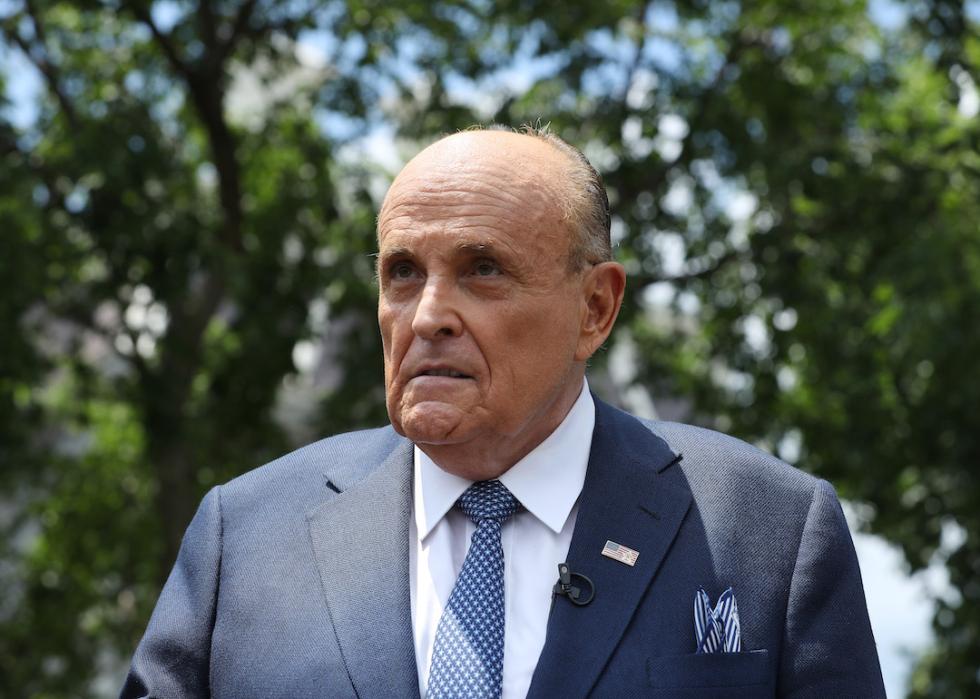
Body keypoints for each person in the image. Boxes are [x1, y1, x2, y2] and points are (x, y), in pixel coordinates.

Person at [122, 127, 885, 698]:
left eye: (481, 269)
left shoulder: (768, 531)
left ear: (595, 306)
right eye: (402, 272)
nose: (427, 316)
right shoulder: (245, 537)